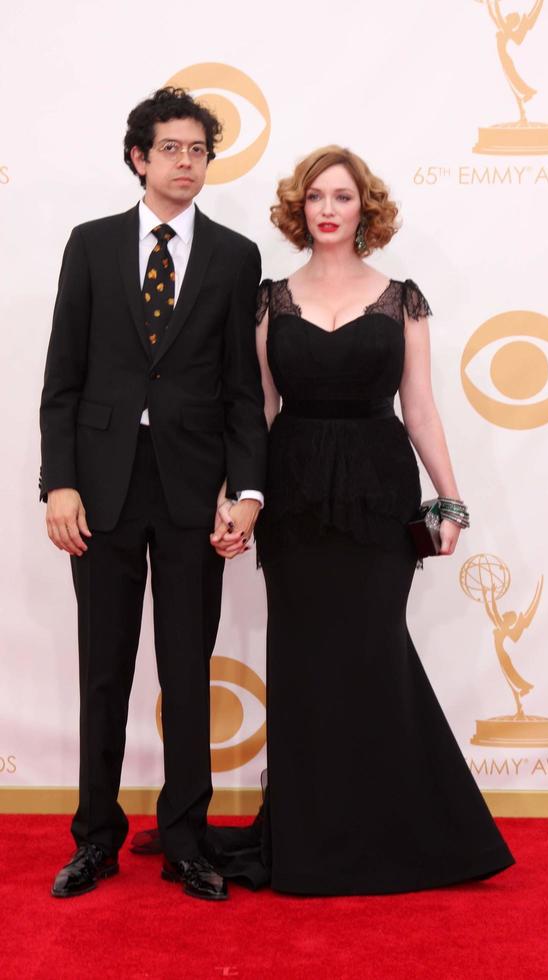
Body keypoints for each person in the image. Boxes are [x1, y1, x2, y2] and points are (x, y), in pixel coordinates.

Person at [134, 145, 514, 894]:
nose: (329, 208)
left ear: (364, 208)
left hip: (378, 493)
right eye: (316, 197)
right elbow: (260, 410)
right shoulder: (270, 298)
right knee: (305, 668)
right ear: (299, 210)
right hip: (296, 492)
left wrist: (449, 497)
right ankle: (311, 835)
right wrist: (235, 493)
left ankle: (394, 829)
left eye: (342, 196)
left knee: (374, 658)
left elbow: (422, 407)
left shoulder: (402, 298)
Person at [39, 87, 267, 901]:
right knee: (103, 669)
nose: (185, 163)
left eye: (198, 150)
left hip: (190, 489)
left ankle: (186, 840)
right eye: (170, 149)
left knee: (187, 670)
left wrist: (245, 492)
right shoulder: (92, 245)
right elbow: (62, 377)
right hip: (98, 489)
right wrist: (57, 482)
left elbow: (244, 391)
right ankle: (95, 838)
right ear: (139, 158)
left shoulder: (237, 257)